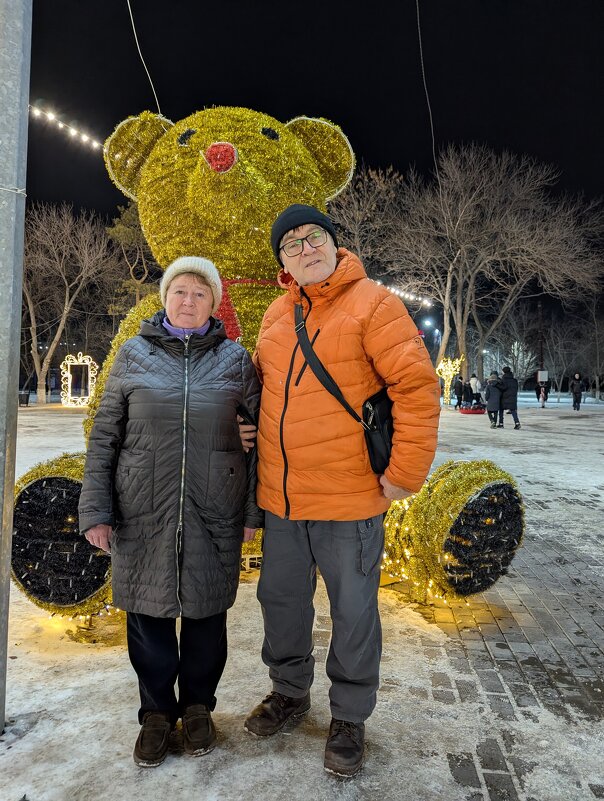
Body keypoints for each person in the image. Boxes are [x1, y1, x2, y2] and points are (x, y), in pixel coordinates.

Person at [241, 204, 440, 777]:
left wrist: (404, 473)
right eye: (292, 244)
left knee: (353, 612)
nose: (305, 248)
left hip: (350, 499)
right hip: (283, 501)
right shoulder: (276, 314)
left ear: (333, 243)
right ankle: (289, 691)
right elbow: (264, 390)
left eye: (314, 237)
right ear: (282, 262)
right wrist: (243, 424)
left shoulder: (375, 304)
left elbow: (417, 390)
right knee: (280, 602)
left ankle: (349, 715)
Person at [78, 257, 263, 768]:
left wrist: (252, 513)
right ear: (165, 298)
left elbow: (263, 442)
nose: (188, 300)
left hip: (214, 509)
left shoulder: (234, 360)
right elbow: (105, 435)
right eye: (180, 290)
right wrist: (96, 510)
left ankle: (198, 706)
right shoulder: (133, 355)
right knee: (148, 618)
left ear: (214, 303)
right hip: (142, 509)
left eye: (200, 293)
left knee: (207, 616)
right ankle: (157, 713)